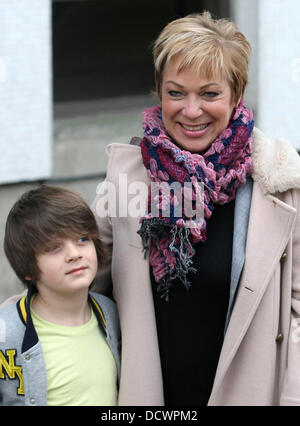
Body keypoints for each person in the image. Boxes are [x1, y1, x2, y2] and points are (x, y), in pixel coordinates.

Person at [90, 11, 300, 406]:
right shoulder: (125, 178)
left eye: (209, 94)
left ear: (236, 95)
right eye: (175, 92)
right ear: (158, 92)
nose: (190, 111)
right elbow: (83, 284)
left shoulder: (280, 179)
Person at [0, 185, 120, 406]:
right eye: (54, 247)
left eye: (82, 239)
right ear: (27, 269)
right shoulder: (6, 335)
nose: (74, 254)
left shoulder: (112, 314)